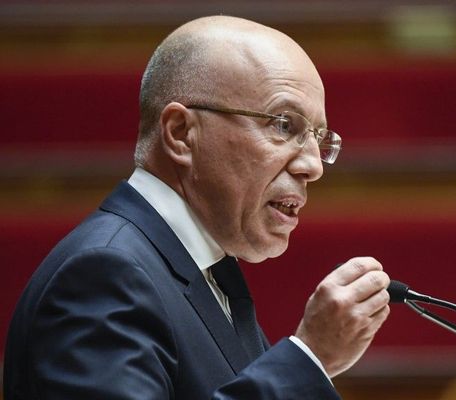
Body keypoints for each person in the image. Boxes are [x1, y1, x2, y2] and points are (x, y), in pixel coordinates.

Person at [3, 15, 390, 400]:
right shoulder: (104, 274)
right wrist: (307, 359)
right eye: (284, 125)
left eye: (318, 139)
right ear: (181, 134)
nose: (313, 166)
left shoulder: (205, 271)